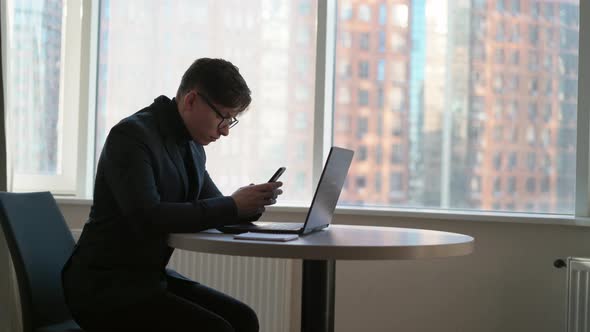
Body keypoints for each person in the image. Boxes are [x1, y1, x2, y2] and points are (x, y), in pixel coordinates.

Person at [61, 58, 282, 332]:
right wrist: (233, 205)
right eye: (222, 117)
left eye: (231, 121)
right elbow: (148, 217)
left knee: (243, 319)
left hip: (146, 279)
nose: (225, 131)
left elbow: (216, 209)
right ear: (191, 100)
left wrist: (251, 203)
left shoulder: (192, 146)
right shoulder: (131, 136)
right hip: (104, 287)